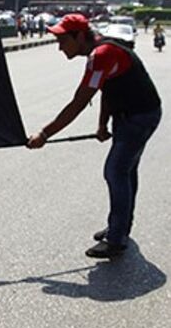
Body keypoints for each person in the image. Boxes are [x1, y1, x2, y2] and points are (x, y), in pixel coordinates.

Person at [27, 14, 162, 258]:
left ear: (80, 36)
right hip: (129, 115)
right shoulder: (100, 52)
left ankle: (116, 239)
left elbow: (79, 102)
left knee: (115, 171)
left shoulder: (101, 55)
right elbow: (106, 91)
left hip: (139, 117)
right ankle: (119, 227)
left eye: (62, 41)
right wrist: (102, 124)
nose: (60, 47)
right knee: (126, 171)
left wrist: (44, 134)